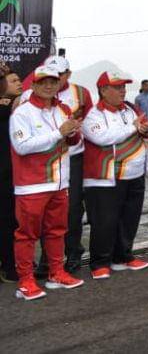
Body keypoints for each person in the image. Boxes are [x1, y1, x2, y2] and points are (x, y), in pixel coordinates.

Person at [9, 61, 85, 300]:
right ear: (34, 85)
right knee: (27, 235)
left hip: (59, 183)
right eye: (43, 82)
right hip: (32, 184)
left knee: (57, 231)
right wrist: (59, 133)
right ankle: (26, 281)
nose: (49, 86)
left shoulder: (62, 109)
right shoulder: (22, 112)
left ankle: (56, 273)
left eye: (53, 82)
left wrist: (73, 134)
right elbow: (22, 146)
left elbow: (71, 142)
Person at [19, 56, 93, 274]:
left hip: (73, 157)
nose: (53, 79)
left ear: (68, 74)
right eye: (48, 75)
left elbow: (90, 124)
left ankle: (73, 253)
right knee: (44, 211)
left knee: (73, 209)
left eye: (59, 75)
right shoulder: (28, 95)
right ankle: (48, 260)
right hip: (42, 160)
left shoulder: (81, 93)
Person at [81, 70, 148, 279]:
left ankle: (123, 256)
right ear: (103, 90)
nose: (123, 91)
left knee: (130, 218)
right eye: (117, 87)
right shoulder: (93, 114)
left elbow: (143, 128)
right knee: (105, 221)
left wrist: (144, 129)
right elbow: (103, 137)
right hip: (107, 177)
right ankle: (99, 263)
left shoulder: (130, 109)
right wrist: (133, 127)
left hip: (135, 173)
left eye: (123, 87)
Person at [0, 64, 22, 284]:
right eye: (13, 81)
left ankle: (14, 262)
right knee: (6, 221)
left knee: (15, 222)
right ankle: (8, 266)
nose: (19, 84)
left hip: (17, 176)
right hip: (4, 177)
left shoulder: (19, 109)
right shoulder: (7, 109)